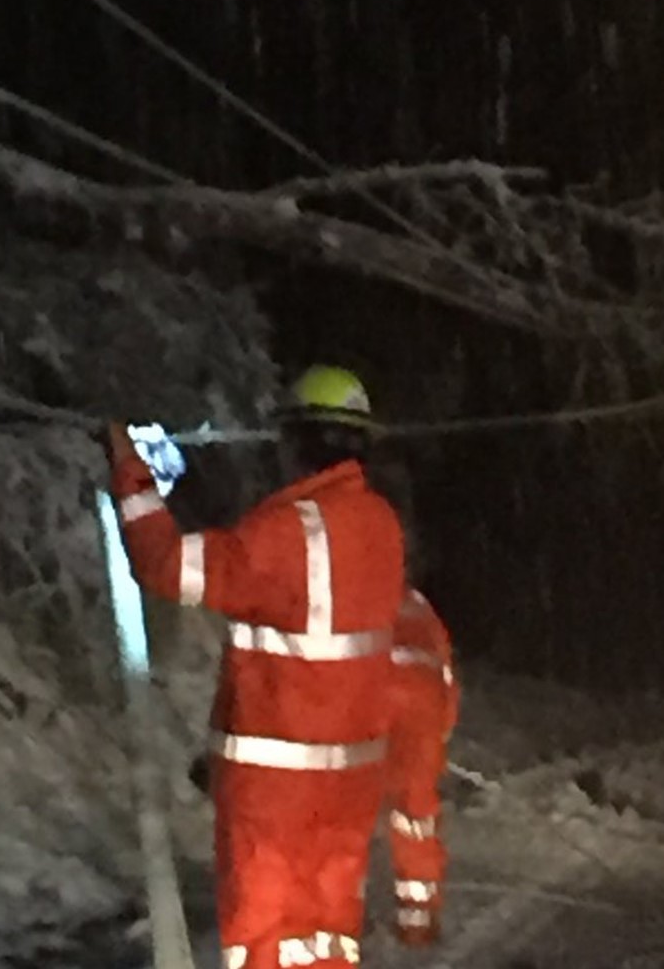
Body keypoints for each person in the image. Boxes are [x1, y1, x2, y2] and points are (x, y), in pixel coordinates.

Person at [106, 364, 405, 969]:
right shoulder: (379, 526)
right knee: (324, 939)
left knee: (265, 943)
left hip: (276, 795)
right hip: (348, 782)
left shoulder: (287, 534)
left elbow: (166, 565)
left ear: (298, 442)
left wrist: (132, 478)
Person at [384, 585, 459, 947]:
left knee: (339, 813)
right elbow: (445, 672)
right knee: (415, 818)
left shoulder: (353, 593)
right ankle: (417, 918)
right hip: (422, 714)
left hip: (373, 707)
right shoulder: (420, 606)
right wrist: (440, 731)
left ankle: (324, 917)